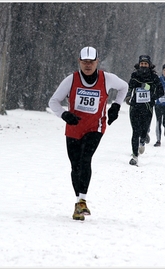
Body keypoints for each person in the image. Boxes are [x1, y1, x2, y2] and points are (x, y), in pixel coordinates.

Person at [48, 46, 128, 221]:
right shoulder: (71, 80)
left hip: (95, 127)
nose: (88, 65)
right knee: (75, 166)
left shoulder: (107, 79)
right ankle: (79, 203)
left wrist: (116, 105)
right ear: (79, 62)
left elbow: (124, 87)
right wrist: (64, 114)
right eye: (84, 62)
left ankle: (82, 199)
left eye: (91, 62)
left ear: (97, 62)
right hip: (74, 128)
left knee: (86, 159)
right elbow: (53, 101)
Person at [125, 55, 164, 165]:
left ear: (149, 65)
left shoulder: (154, 77)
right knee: (135, 131)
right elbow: (130, 87)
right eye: (142, 63)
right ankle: (134, 156)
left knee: (144, 129)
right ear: (139, 64)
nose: (143, 65)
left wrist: (152, 96)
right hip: (135, 106)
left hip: (147, 107)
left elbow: (161, 91)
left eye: (145, 64)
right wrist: (128, 96)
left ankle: (143, 140)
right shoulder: (135, 75)